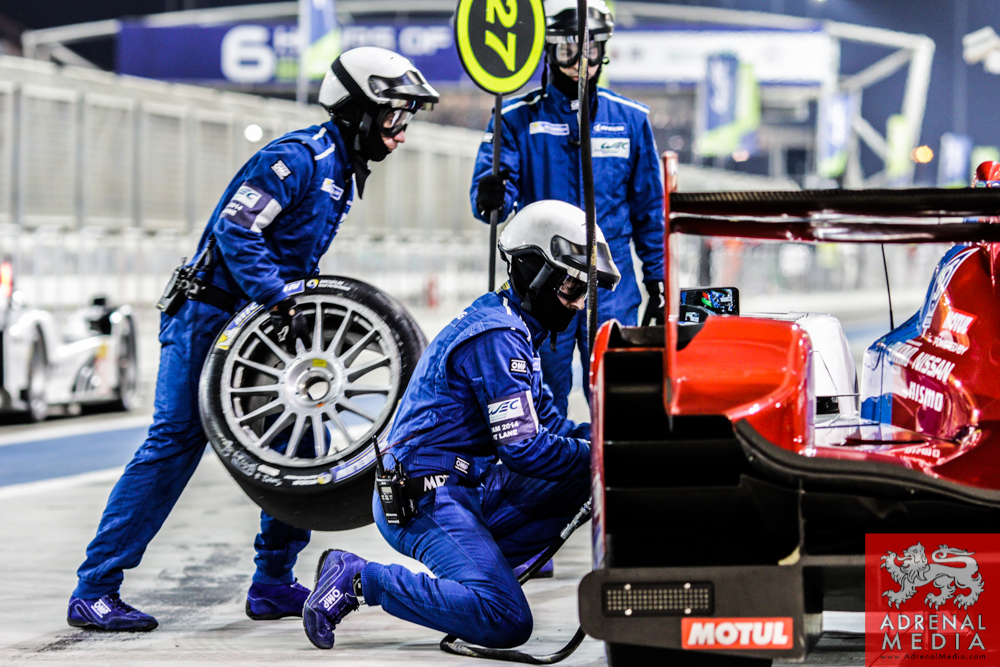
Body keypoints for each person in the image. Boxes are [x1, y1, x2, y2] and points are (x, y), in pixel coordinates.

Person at [66, 47, 439, 632]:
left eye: (406, 118)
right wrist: (277, 296)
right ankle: (94, 589)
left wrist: (287, 306)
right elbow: (236, 228)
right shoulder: (299, 158)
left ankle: (272, 582)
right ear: (357, 109)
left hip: (260, 324)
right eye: (393, 115)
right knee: (173, 445)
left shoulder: (340, 170)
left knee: (299, 447)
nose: (401, 132)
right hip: (208, 315)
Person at [298, 200, 620, 650]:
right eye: (571, 287)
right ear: (535, 271)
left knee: (587, 470)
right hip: (424, 495)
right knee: (505, 619)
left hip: (467, 486)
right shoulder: (498, 336)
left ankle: (481, 571)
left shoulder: (515, 329)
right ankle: (360, 578)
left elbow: (550, 426)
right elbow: (525, 450)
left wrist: (620, 439)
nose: (578, 303)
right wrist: (606, 454)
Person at [470, 0, 665, 419]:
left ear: (603, 51)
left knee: (619, 398)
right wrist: (490, 194)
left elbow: (651, 211)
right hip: (543, 285)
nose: (579, 63)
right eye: (567, 51)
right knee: (540, 401)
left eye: (589, 50)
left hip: (611, 286)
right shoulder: (515, 118)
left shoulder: (630, 120)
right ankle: (547, 462)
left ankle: (612, 462)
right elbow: (488, 203)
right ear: (549, 52)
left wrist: (659, 280)